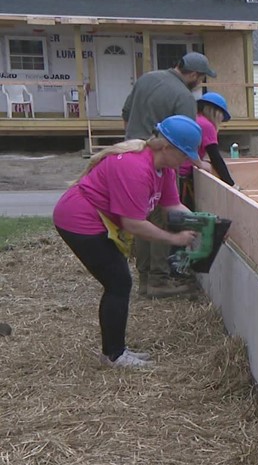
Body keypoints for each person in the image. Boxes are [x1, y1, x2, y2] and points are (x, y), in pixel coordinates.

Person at [52, 115, 204, 369]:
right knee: (118, 282)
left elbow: (173, 206)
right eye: (184, 154)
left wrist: (207, 224)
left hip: (98, 220)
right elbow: (133, 224)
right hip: (79, 219)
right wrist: (174, 238)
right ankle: (114, 355)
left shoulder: (165, 170)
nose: (187, 160)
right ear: (167, 147)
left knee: (119, 281)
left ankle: (115, 351)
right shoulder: (136, 168)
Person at [121, 51, 218, 297]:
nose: (200, 83)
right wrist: (199, 163)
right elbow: (186, 139)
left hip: (133, 152)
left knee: (141, 216)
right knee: (162, 217)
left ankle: (145, 278)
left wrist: (135, 139)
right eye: (201, 78)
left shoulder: (147, 78)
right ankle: (158, 280)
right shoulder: (183, 96)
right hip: (162, 159)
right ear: (193, 74)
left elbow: (126, 112)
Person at [178, 92, 236, 210]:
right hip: (183, 176)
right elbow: (215, 158)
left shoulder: (196, 119)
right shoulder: (206, 125)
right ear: (215, 112)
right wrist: (231, 185)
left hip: (176, 171)